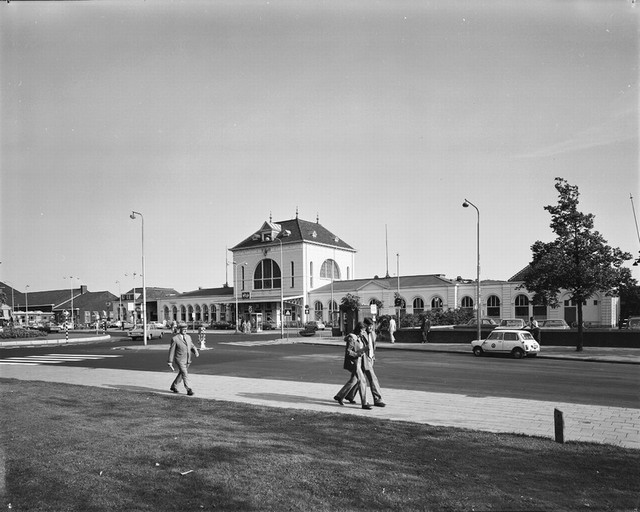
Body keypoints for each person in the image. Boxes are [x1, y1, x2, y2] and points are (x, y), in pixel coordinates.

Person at [344, 317, 386, 407]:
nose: (371, 328)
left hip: (370, 359)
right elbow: (353, 339)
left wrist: (373, 356)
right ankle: (378, 399)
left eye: (372, 326)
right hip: (362, 359)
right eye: (369, 326)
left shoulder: (373, 334)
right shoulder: (362, 333)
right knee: (372, 379)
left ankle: (347, 395)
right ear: (365, 326)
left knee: (356, 379)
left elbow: (373, 346)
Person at [333, 322, 371, 410]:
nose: (363, 332)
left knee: (354, 380)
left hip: (359, 362)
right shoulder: (352, 338)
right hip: (354, 362)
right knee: (362, 381)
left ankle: (340, 396)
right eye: (363, 331)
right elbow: (348, 351)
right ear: (359, 330)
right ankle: (364, 403)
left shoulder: (360, 338)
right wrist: (357, 354)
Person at [167, 324, 199, 396]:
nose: (185, 331)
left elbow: (191, 345)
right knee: (185, 373)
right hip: (179, 359)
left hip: (187, 359)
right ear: (179, 330)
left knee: (182, 373)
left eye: (186, 329)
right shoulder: (175, 339)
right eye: (184, 329)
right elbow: (171, 350)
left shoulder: (188, 337)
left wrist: (195, 351)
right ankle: (189, 389)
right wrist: (170, 361)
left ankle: (174, 386)